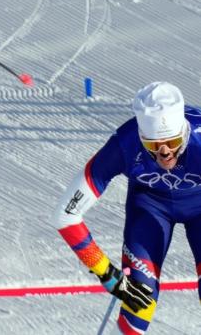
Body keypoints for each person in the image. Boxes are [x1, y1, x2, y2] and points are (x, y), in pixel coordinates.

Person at [52, 81, 201, 334]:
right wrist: (109, 276)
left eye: (174, 142)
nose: (165, 154)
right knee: (138, 302)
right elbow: (65, 215)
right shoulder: (124, 144)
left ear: (185, 132)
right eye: (154, 146)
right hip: (150, 207)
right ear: (142, 137)